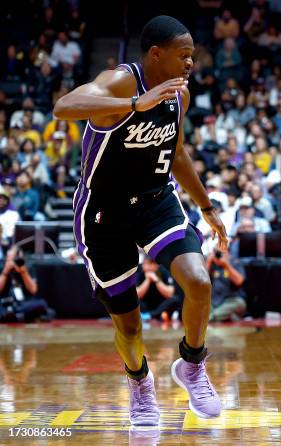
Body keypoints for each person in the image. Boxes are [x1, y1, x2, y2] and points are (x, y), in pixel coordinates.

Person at [53, 16, 229, 425]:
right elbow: (64, 107)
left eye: (192, 56)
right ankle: (139, 382)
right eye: (184, 55)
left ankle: (192, 364)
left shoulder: (179, 96)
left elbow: (178, 152)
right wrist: (134, 105)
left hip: (155, 201)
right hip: (103, 211)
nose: (190, 63)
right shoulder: (120, 81)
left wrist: (206, 206)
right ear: (156, 54)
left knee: (199, 282)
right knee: (129, 327)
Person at [136, 257, 181, 321]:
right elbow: (137, 295)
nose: (147, 267)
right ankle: (146, 315)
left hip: (160, 305)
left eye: (150, 264)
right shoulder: (139, 271)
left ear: (156, 265)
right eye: (145, 264)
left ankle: (150, 315)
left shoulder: (163, 270)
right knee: (132, 300)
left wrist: (156, 280)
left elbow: (170, 293)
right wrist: (147, 280)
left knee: (175, 299)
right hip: (145, 305)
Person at [207, 249, 246, 321]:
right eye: (216, 253)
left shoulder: (235, 262)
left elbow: (239, 281)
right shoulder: (212, 265)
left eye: (221, 253)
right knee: (200, 303)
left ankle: (212, 317)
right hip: (213, 301)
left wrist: (226, 265)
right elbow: (201, 281)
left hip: (230, 300)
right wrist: (209, 262)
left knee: (240, 304)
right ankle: (223, 316)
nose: (218, 255)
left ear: (228, 253)